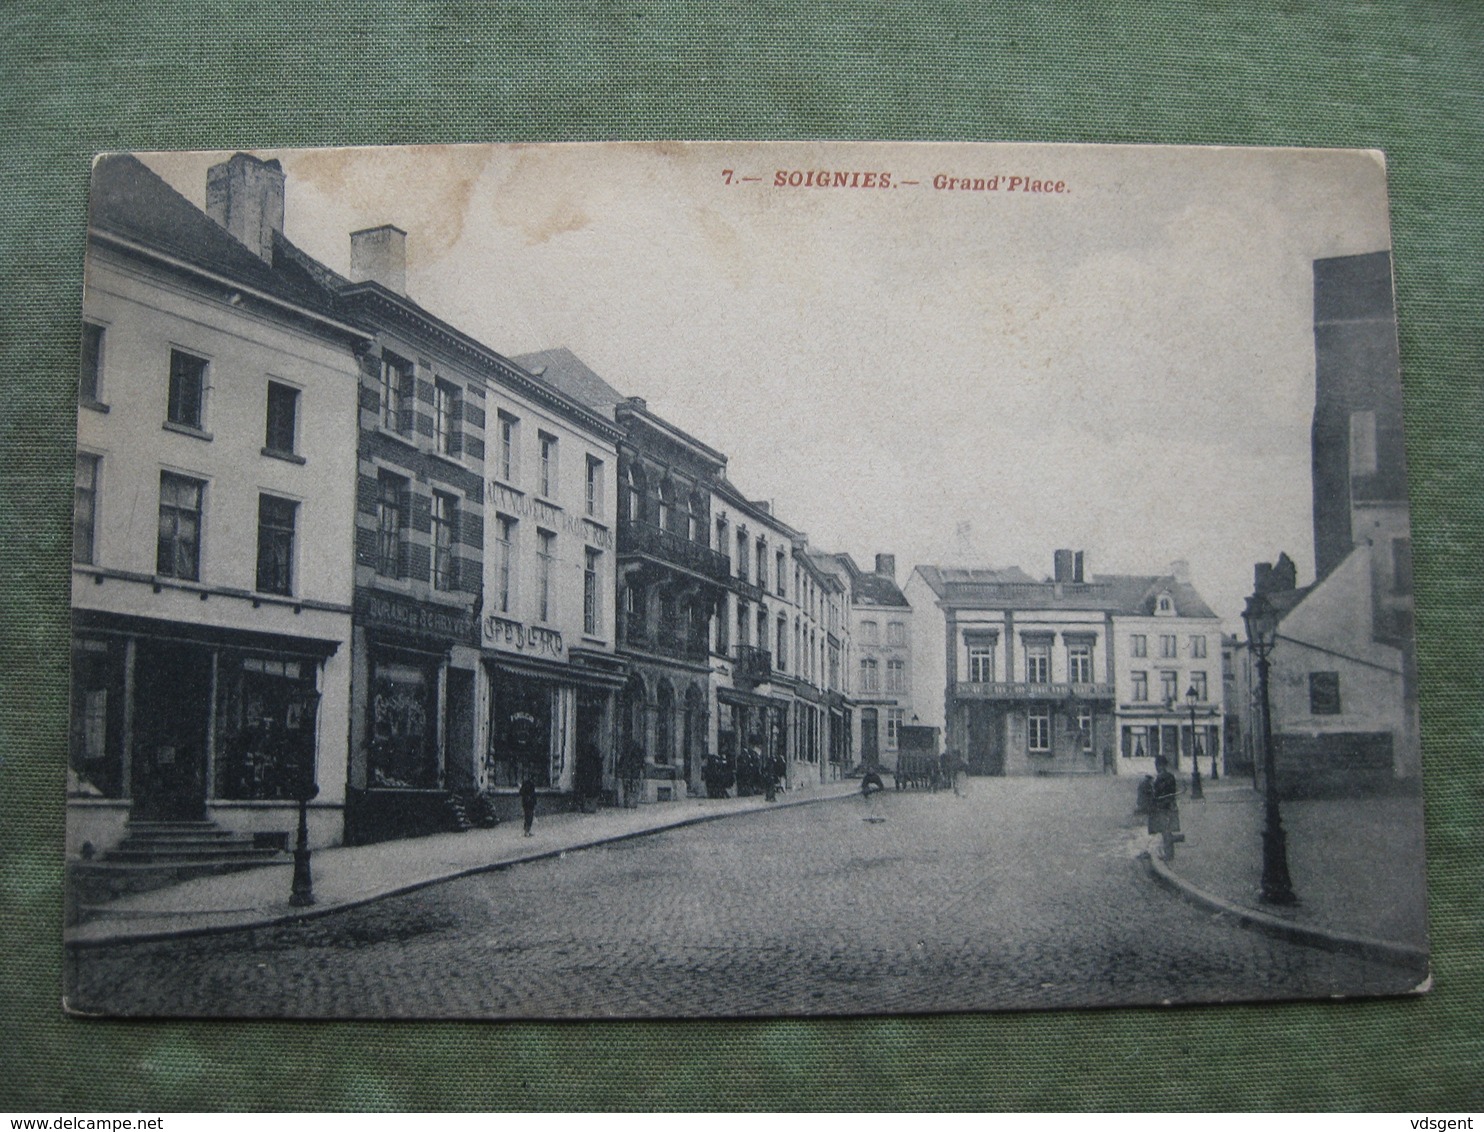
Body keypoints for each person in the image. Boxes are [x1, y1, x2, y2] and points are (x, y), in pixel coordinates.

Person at [1149, 756, 1182, 860]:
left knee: (1165, 830)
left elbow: (1158, 792)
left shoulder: (1160, 778)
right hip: (1170, 805)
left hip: (1163, 807)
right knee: (1168, 829)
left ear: (1160, 765)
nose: (1156, 767)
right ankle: (1169, 853)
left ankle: (1168, 855)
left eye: (1157, 765)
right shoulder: (1170, 776)